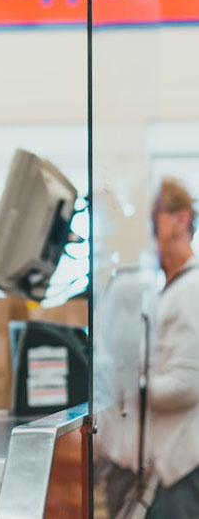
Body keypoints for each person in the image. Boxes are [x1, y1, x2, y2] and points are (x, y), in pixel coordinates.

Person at [147, 177, 199, 517]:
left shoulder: (192, 287)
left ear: (181, 219)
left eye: (157, 217)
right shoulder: (171, 287)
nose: (151, 227)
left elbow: (185, 386)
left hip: (183, 468)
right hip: (168, 469)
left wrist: (126, 385)